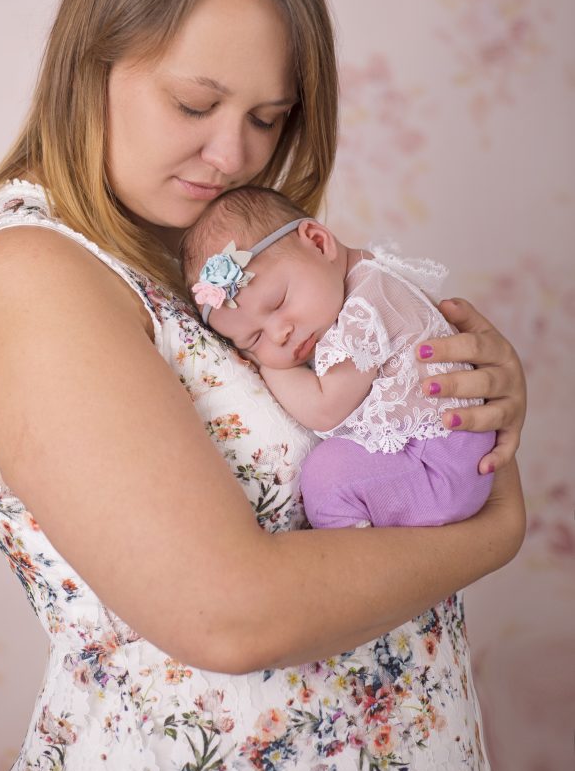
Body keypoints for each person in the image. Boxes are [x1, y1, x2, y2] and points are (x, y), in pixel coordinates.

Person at [0, 0, 526, 771]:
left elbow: (373, 418)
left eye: (265, 118)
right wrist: (498, 521)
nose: (234, 157)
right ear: (89, 66)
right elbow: (228, 616)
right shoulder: (31, 276)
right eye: (193, 104)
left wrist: (472, 394)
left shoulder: (216, 263)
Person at [181, 185, 496, 531]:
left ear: (318, 243)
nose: (279, 334)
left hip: (437, 464)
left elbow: (325, 408)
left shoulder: (364, 308)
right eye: (253, 339)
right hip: (451, 455)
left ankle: (353, 553)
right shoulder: (365, 276)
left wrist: (266, 365)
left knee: (327, 476)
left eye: (279, 302)